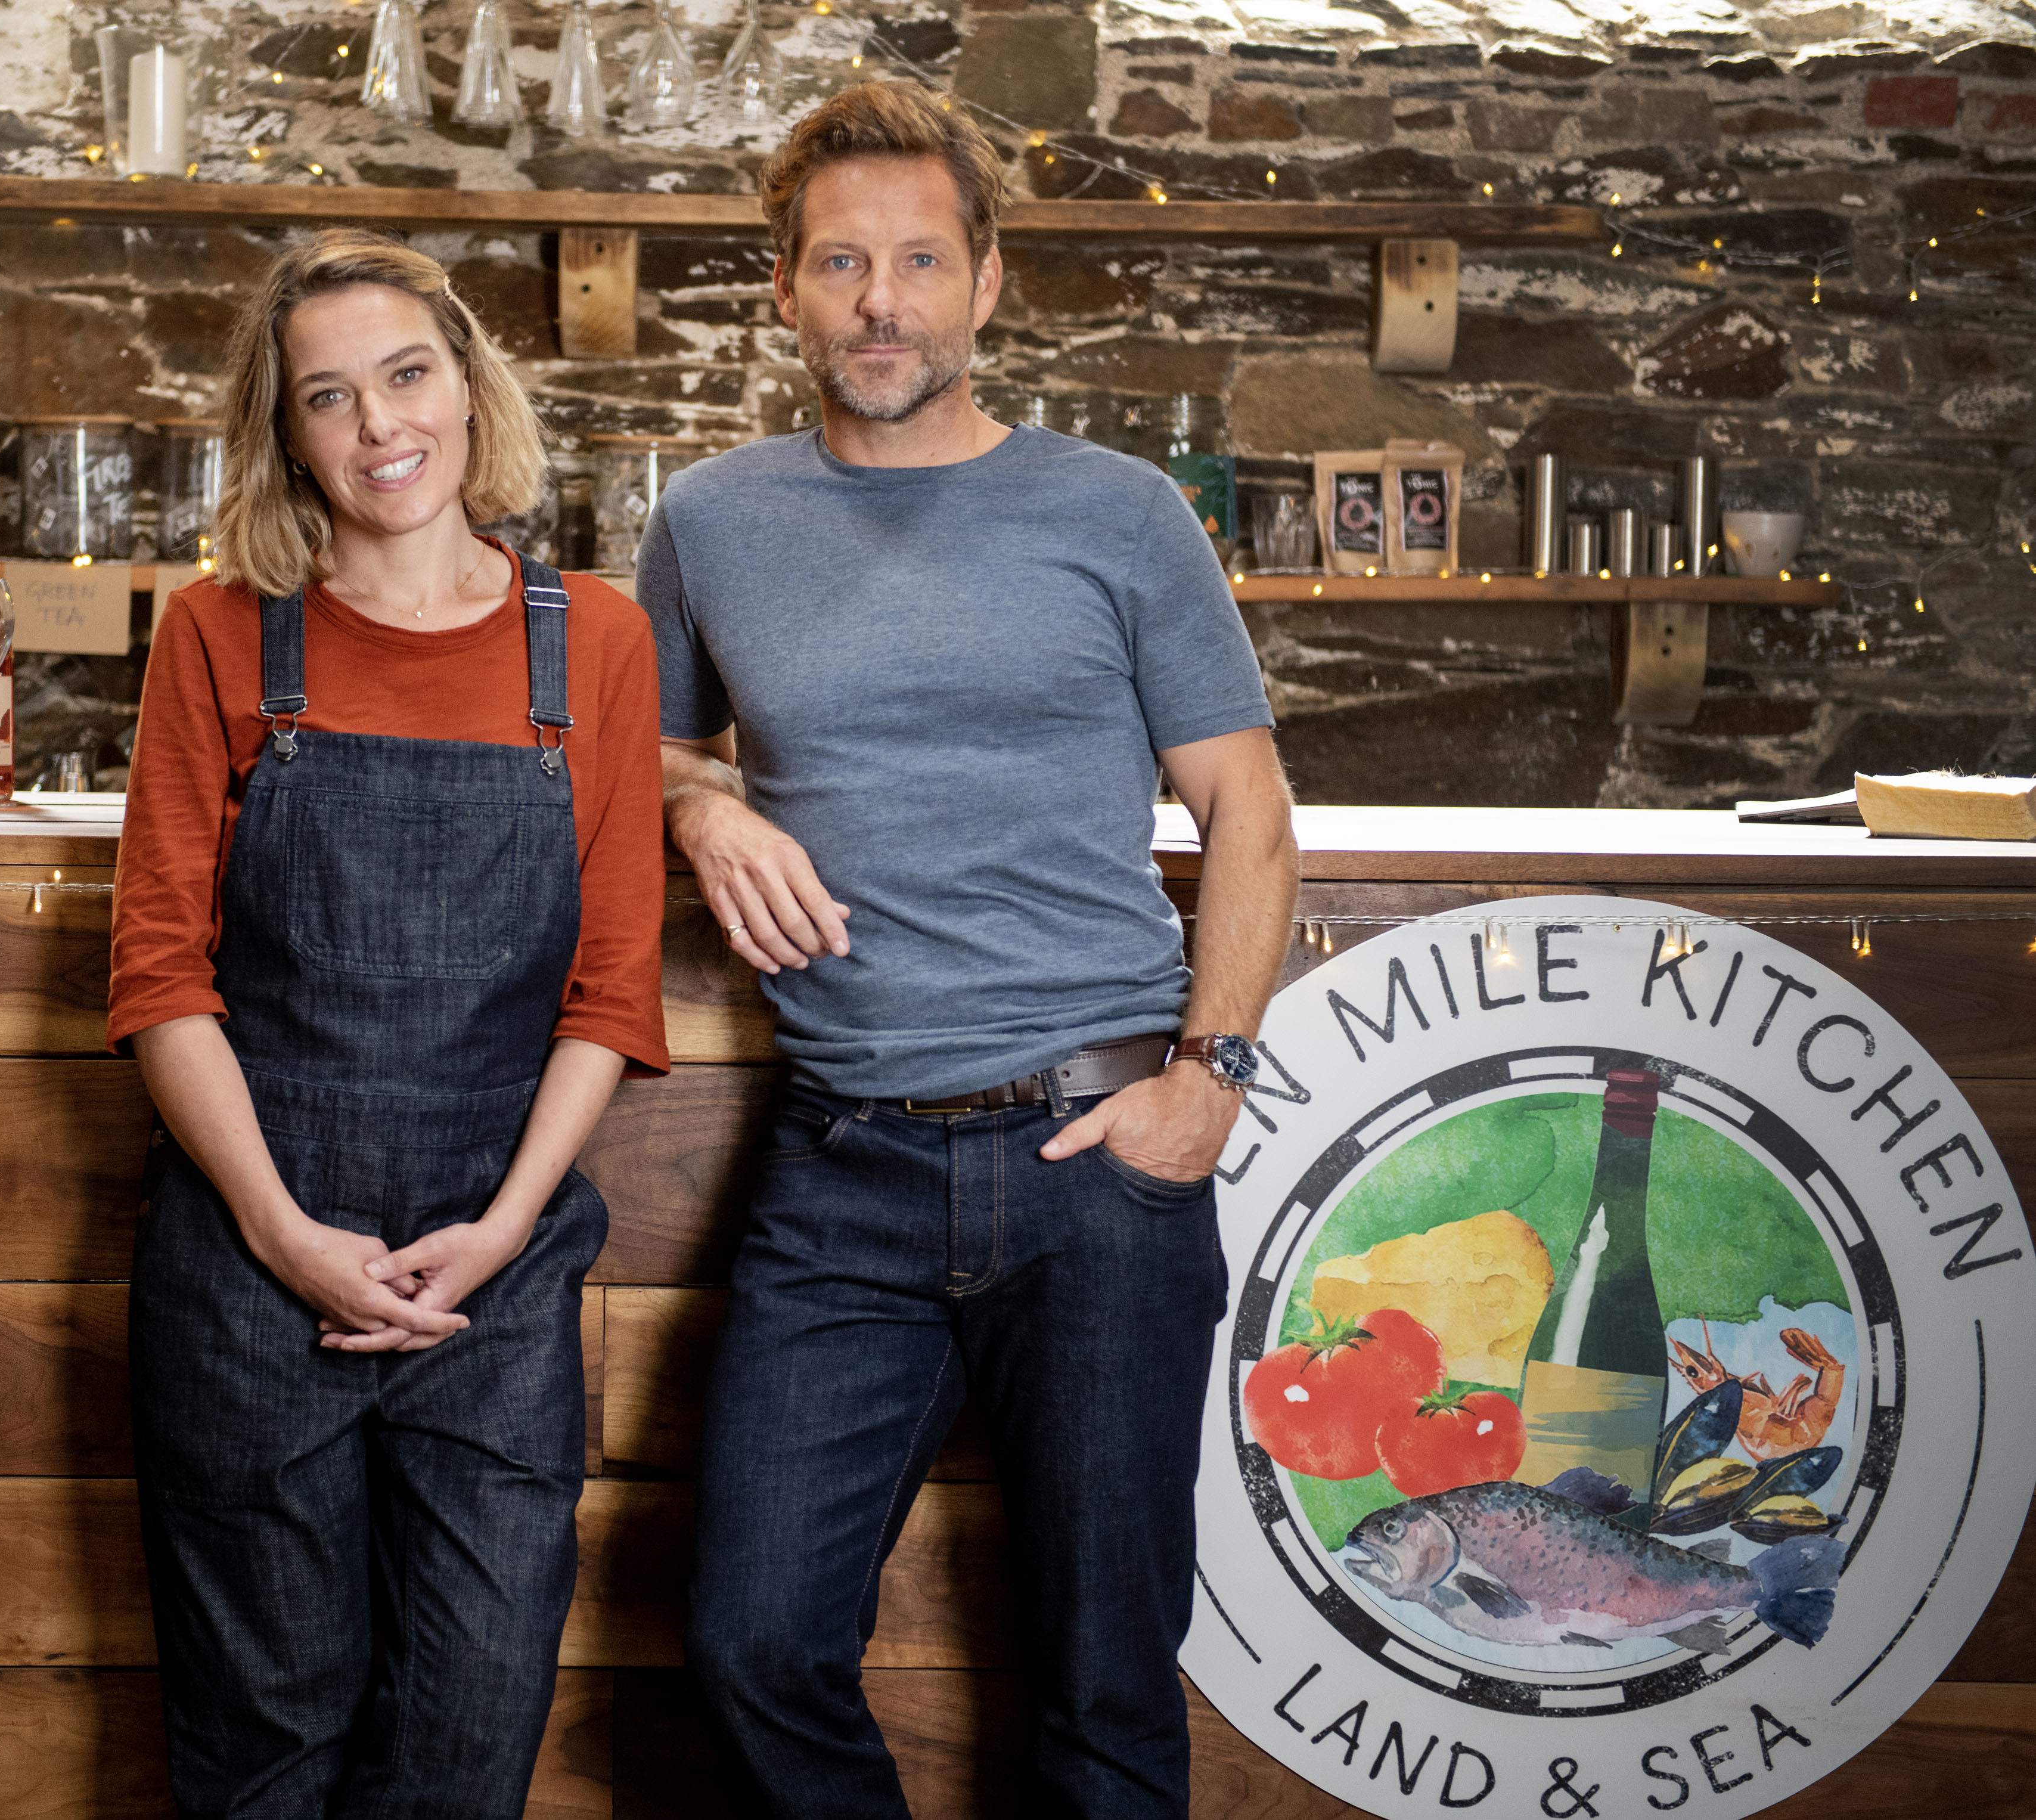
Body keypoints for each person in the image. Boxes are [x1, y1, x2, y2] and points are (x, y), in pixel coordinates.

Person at [638, 83, 1301, 1818]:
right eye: (840, 263)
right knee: (749, 1644)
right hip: (839, 1161)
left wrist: (1206, 1085)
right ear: (782, 289)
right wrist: (701, 808)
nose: (881, 301)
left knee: (1100, 1687)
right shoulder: (706, 520)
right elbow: (629, 744)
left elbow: (1249, 810)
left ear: (986, 284)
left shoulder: (1121, 513)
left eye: (918, 261)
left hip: (1098, 1160)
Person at [110, 228, 669, 1819]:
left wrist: (496, 1229)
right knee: (262, 1747)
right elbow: (162, 974)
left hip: (493, 1271)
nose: (379, 429)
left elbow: (611, 986)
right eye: (328, 398)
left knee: (468, 1742)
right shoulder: (215, 634)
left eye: (407, 375)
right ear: (284, 434)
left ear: (471, 385)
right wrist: (284, 1233)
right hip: (246, 1266)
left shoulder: (599, 643)